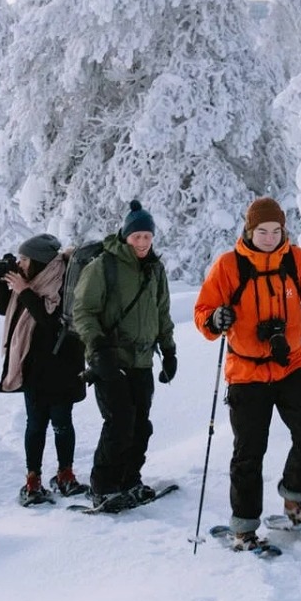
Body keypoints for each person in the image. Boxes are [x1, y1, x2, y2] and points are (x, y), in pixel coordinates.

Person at [195, 196, 301, 546]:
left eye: (275, 231)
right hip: (246, 372)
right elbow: (204, 311)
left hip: (290, 363)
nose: (269, 237)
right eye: (262, 231)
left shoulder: (294, 259)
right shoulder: (229, 266)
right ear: (249, 230)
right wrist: (216, 319)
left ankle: (295, 497)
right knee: (249, 452)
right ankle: (244, 528)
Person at [68, 200, 176, 511]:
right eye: (136, 237)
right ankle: (103, 487)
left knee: (140, 424)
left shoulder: (155, 269)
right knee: (119, 422)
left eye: (147, 237)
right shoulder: (104, 266)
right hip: (109, 358)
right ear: (125, 236)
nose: (142, 242)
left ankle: (130, 479)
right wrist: (98, 348)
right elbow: (83, 311)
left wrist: (168, 350)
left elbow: (162, 312)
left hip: (142, 360)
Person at [0, 233, 85, 505]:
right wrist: (3, 282)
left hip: (63, 367)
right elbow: (3, 308)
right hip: (34, 368)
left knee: (61, 424)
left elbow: (52, 322)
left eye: (24, 259)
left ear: (40, 262)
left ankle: (65, 474)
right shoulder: (31, 282)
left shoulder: (65, 283)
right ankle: (32, 479)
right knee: (35, 425)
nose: (20, 264)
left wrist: (24, 291)